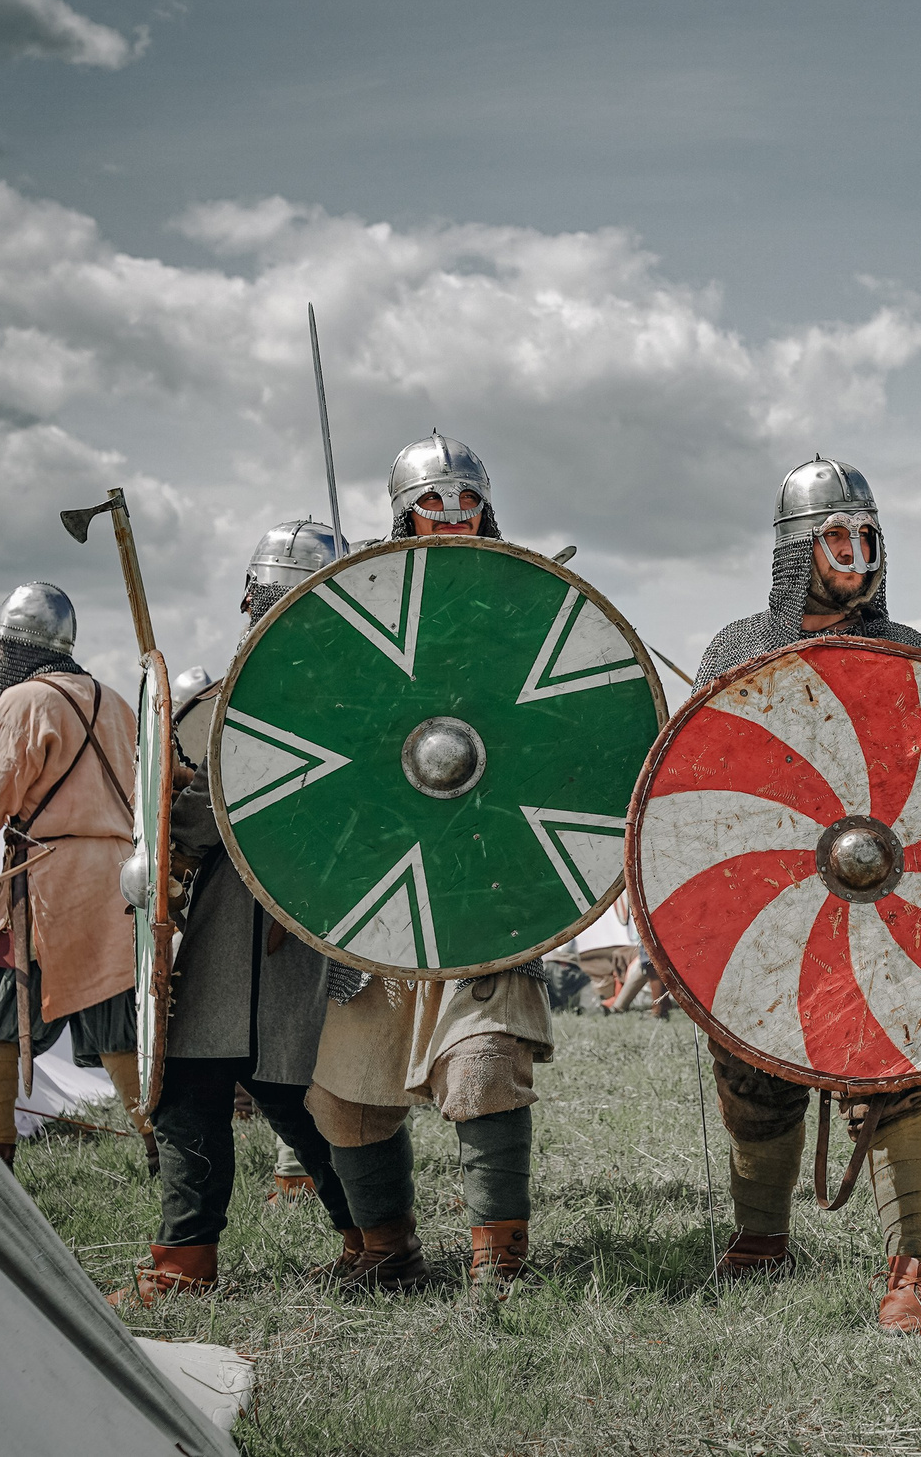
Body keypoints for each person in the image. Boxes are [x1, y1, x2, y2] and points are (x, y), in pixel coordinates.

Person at [690, 455, 921, 1333]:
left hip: (884, 892)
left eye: (868, 534)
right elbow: (704, 785)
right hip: (770, 893)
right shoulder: (739, 649)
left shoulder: (907, 653)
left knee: (892, 1077)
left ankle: (913, 1269)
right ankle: (762, 1235)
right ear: (798, 548)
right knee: (753, 1071)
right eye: (837, 535)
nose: (857, 550)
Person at [303, 434, 553, 1295]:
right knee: (349, 1082)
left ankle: (498, 1255)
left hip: (486, 868)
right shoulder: (360, 607)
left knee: (484, 1064)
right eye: (432, 502)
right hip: (377, 874)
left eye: (466, 500)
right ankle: (387, 1248)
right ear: (401, 510)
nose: (451, 517)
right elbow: (324, 732)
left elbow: (556, 731)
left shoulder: (520, 609)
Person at [113, 522, 361, 1306]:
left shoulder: (309, 704)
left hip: (283, 929)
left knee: (271, 1095)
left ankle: (374, 1234)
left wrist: (178, 801)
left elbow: (219, 814)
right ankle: (196, 1258)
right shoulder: (302, 699)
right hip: (249, 930)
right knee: (233, 1090)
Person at [0, 583, 150, 1174]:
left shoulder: (24, 703)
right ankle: (170, 1158)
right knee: (122, 1034)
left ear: (12, 647)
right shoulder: (115, 701)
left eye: (0, 650)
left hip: (50, 894)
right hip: (119, 889)